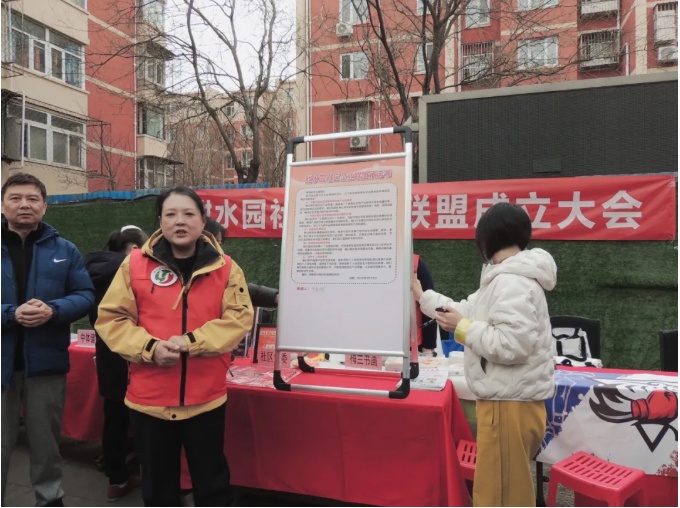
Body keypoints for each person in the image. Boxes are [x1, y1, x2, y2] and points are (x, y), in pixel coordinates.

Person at [95, 186, 254, 506]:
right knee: (158, 490)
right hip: (149, 401)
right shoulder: (134, 265)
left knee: (212, 486)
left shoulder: (226, 268)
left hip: (205, 400)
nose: (179, 221)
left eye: (188, 214)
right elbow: (111, 320)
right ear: (160, 221)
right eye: (171, 214)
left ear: (203, 220)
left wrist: (192, 342)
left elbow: (239, 318)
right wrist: (150, 348)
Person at [412, 202, 556, 507]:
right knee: (502, 489)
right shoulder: (505, 277)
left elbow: (512, 344)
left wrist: (461, 328)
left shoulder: (510, 281)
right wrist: (423, 296)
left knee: (500, 496)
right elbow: (464, 309)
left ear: (488, 238)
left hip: (508, 405)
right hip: (509, 401)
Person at [1, 173, 95, 507]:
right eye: (15, 198)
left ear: (45, 206)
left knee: (46, 442)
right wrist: (10, 314)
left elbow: (85, 295)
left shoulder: (65, 250)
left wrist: (53, 310)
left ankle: (50, 498)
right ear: (2, 205)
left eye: (32, 199)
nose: (24, 205)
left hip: (46, 364)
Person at [84, 225, 148, 501]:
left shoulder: (91, 270)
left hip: (108, 353)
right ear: (134, 249)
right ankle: (152, 477)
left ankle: (116, 479)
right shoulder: (132, 270)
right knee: (145, 419)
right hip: (137, 354)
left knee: (114, 418)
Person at [204, 217, 278, 308]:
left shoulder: (224, 265)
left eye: (219, 244)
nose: (217, 248)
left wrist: (274, 296)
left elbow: (240, 289)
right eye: (212, 242)